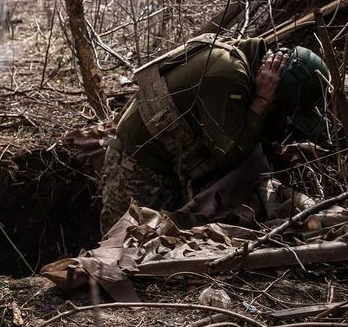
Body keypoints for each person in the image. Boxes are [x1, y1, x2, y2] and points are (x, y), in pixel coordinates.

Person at [99, 34, 330, 231]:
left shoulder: (246, 60)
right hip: (136, 163)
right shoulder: (230, 74)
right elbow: (229, 154)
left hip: (164, 163)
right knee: (122, 246)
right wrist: (261, 101)